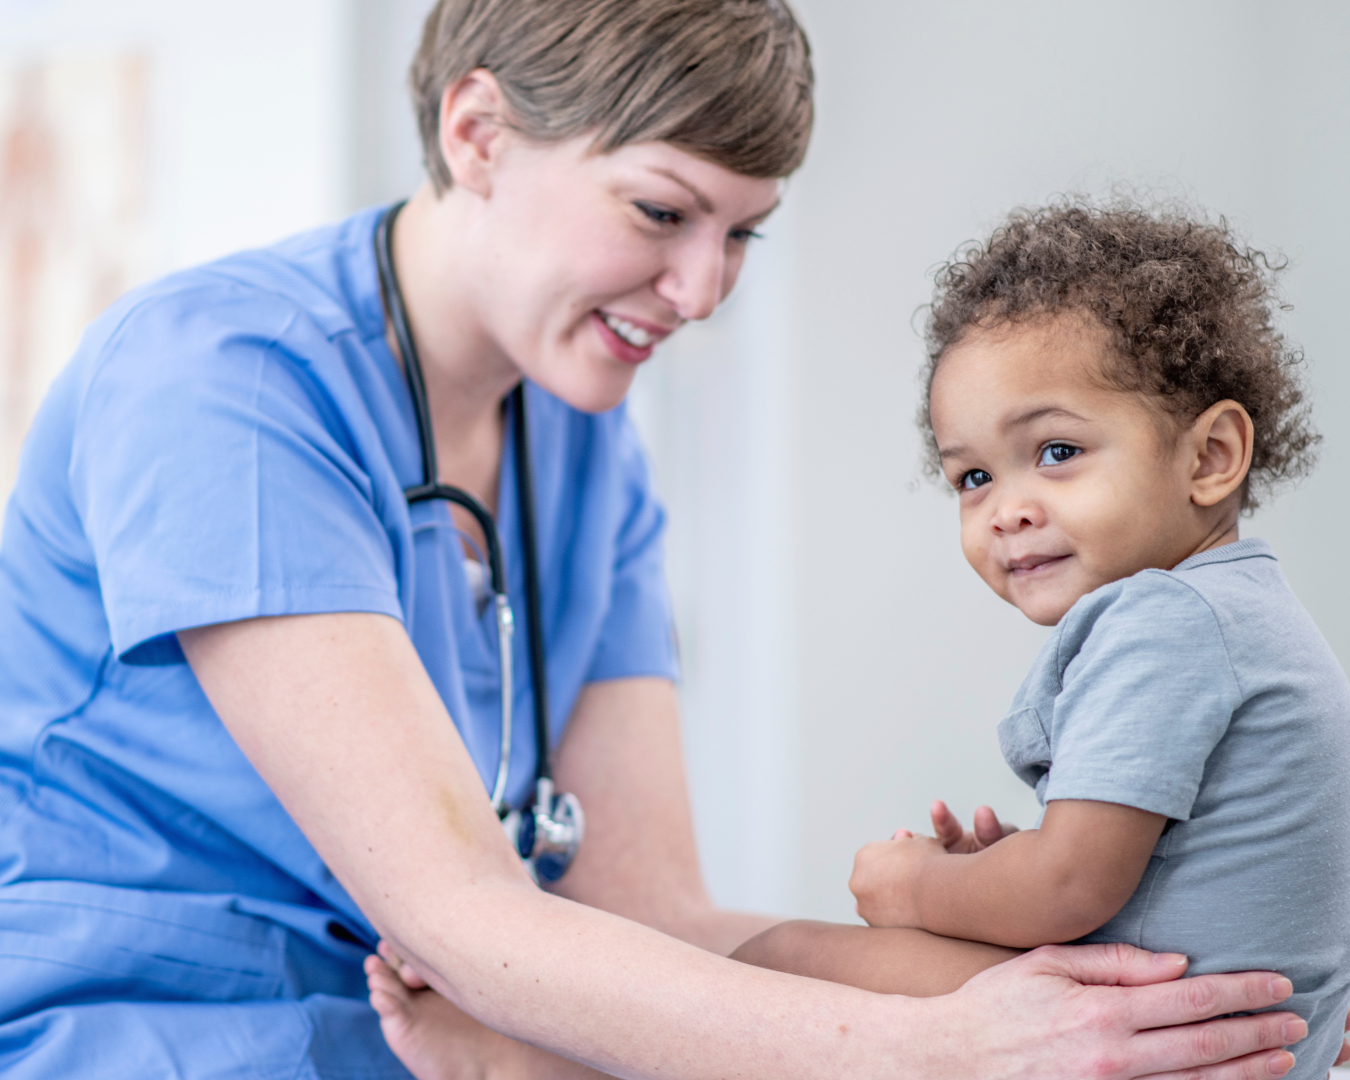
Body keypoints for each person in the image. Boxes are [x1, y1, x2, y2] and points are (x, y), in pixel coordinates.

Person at [0, 1, 1304, 1075]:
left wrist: (1102, 1005)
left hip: (445, 1036)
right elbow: (460, 918)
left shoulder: (576, 438)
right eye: (661, 214)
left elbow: (652, 919)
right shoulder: (220, 381)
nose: (701, 294)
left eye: (742, 234)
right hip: (146, 1035)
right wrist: (928, 1055)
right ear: (478, 132)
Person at [727, 201, 1350, 1075]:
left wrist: (917, 887)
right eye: (972, 476)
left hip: (1151, 1036)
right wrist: (1012, 867)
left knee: (775, 960)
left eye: (1056, 450)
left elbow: (1068, 889)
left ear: (1209, 456)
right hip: (1231, 1034)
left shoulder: (1163, 620)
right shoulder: (1250, 614)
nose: (1008, 508)